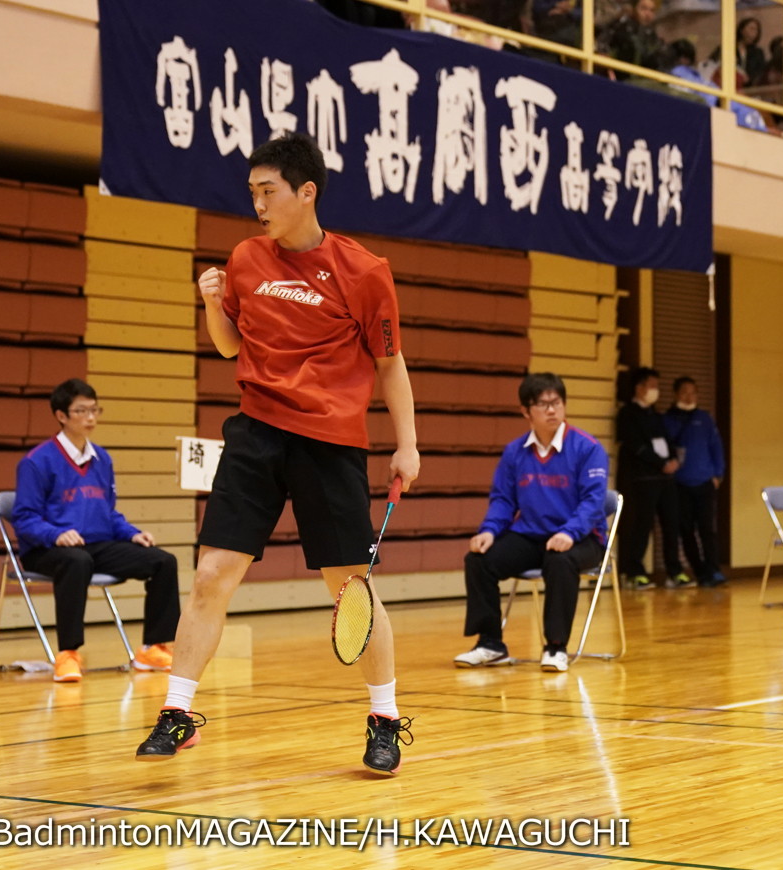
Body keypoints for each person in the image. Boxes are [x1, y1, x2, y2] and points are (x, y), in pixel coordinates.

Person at [133, 133, 421, 776]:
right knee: (211, 575)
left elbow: (390, 363)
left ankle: (385, 720)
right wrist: (212, 302)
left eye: (269, 192)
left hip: (331, 443)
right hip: (256, 433)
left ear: (306, 192)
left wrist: (406, 444)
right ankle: (178, 714)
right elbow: (231, 347)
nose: (258, 203)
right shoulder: (245, 258)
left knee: (350, 588)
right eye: (253, 192)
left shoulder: (364, 272)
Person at [13, 379, 182, 683]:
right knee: (77, 561)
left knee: (162, 560)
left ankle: (153, 647)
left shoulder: (102, 459)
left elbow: (107, 513)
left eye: (94, 410)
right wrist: (55, 534)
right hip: (46, 550)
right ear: (61, 416)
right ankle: (68, 653)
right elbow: (24, 518)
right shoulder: (37, 462)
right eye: (81, 411)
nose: (90, 417)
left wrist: (131, 533)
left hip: (95, 545)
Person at [454, 373, 610, 673]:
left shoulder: (588, 448)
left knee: (560, 560)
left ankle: (555, 647)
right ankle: (490, 643)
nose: (552, 410)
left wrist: (569, 531)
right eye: (543, 404)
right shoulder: (515, 452)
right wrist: (488, 530)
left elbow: (593, 503)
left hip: (582, 538)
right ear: (526, 411)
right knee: (479, 560)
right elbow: (503, 500)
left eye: (557, 403)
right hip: (531, 535)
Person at [616, 367, 689, 589]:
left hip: (665, 481)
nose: (656, 391)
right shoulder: (627, 414)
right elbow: (636, 446)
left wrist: (674, 460)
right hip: (642, 480)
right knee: (640, 526)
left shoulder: (656, 416)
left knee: (671, 525)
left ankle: (674, 572)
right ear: (639, 388)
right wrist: (661, 463)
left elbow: (667, 442)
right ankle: (634, 572)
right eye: (652, 386)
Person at [663, 377, 726, 587]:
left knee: (708, 529)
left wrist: (718, 475)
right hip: (680, 485)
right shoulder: (668, 419)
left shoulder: (705, 418)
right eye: (684, 392)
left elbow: (716, 447)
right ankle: (700, 572)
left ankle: (714, 570)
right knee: (686, 530)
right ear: (675, 394)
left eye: (693, 392)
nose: (689, 397)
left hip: (705, 482)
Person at [599, 0, 665, 80]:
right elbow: (602, 47)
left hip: (638, 81)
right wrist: (608, 70)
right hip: (613, 76)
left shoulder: (652, 37)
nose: (647, 14)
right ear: (634, 9)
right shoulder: (621, 26)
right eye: (643, 9)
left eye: (652, 10)